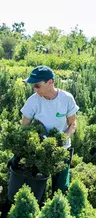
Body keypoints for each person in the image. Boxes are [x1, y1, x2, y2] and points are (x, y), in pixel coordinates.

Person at [20, 65, 79, 193]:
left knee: (61, 189)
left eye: (37, 86)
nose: (34, 89)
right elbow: (24, 128)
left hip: (62, 151)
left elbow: (72, 124)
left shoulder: (66, 99)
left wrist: (62, 139)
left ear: (50, 82)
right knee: (36, 190)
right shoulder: (32, 102)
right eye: (32, 86)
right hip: (39, 152)